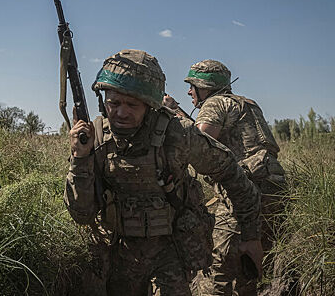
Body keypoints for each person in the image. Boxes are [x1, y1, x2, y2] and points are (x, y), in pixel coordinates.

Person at [64, 50, 262, 296]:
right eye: (113, 103)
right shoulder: (94, 138)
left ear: (150, 106)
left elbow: (233, 176)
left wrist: (250, 236)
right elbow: (82, 214)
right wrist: (80, 159)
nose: (121, 113)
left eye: (132, 105)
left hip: (171, 253)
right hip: (118, 254)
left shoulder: (178, 135)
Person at [168, 59, 286, 295]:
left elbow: (199, 144)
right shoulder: (248, 104)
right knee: (250, 270)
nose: (189, 91)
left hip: (242, 193)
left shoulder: (214, 103)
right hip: (276, 191)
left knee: (220, 271)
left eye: (193, 85)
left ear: (205, 86)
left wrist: (173, 113)